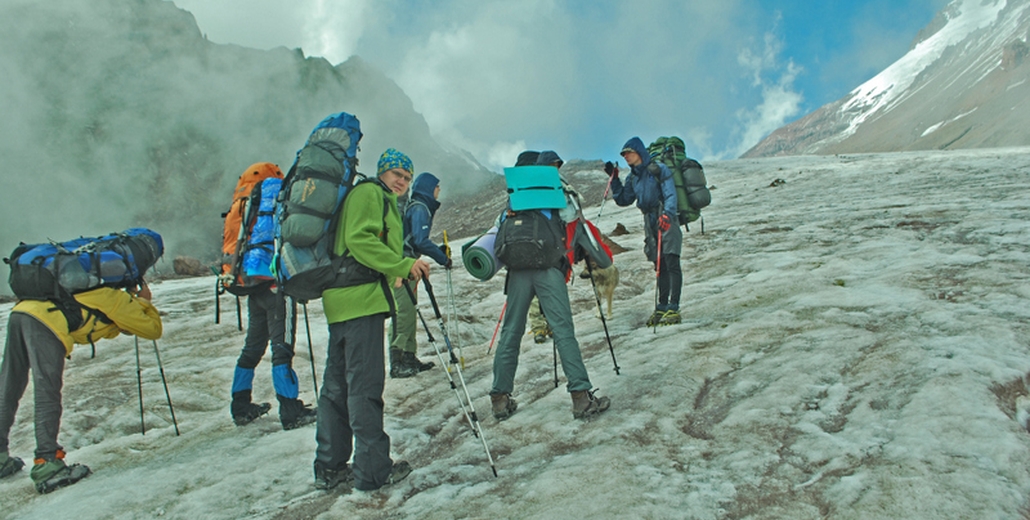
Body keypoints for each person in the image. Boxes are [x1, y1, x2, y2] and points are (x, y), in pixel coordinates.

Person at [314, 148, 430, 492]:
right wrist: (401, 265)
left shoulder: (367, 194)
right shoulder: (370, 193)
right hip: (360, 302)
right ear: (383, 171)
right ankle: (373, 471)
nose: (402, 183)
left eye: (407, 178)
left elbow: (359, 244)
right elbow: (360, 239)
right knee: (364, 389)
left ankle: (331, 467)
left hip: (342, 301)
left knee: (336, 389)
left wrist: (390, 268)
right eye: (398, 174)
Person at [0, 281, 163, 494]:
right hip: (47, 321)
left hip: (22, 311)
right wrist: (144, 301)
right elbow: (152, 329)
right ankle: (47, 464)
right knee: (46, 390)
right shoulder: (119, 301)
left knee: (9, 384)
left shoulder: (90, 289)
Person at [490, 152, 611, 421]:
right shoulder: (561, 198)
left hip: (518, 272)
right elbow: (586, 238)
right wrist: (598, 259)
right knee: (563, 331)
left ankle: (500, 399)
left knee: (511, 332)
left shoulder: (515, 201)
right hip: (550, 271)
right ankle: (580, 397)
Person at [609, 136, 683, 326]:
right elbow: (624, 199)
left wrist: (668, 214)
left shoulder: (658, 169)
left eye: (628, 153)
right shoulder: (633, 176)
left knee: (672, 260)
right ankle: (662, 306)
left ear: (638, 152)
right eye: (624, 154)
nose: (625, 156)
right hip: (650, 222)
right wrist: (614, 180)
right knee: (661, 265)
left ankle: (673, 307)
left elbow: (670, 193)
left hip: (665, 218)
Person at [229, 286, 317, 430]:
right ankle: (292, 412)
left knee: (251, 350)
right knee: (282, 351)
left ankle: (241, 407)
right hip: (279, 293)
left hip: (255, 293)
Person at [389, 172, 450, 378]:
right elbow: (420, 241)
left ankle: (408, 356)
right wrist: (442, 258)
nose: (438, 190)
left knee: (409, 310)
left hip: (407, 265)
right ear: (428, 187)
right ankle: (397, 362)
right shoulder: (420, 208)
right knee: (404, 312)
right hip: (404, 266)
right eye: (437, 186)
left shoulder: (416, 206)